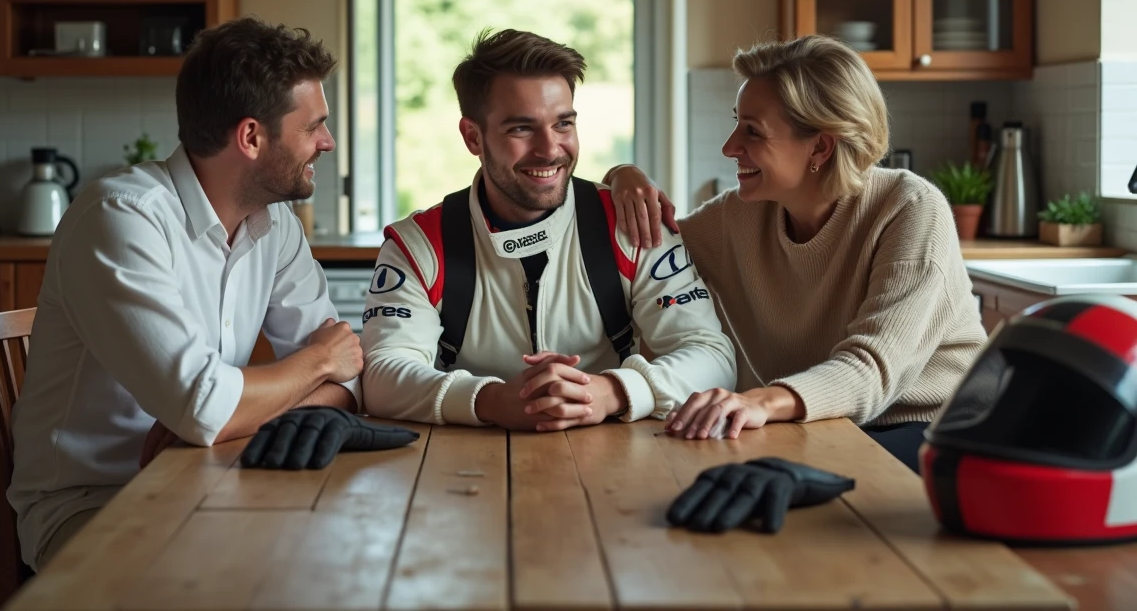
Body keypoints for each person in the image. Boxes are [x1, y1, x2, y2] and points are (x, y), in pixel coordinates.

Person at [8, 17, 364, 571]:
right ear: (250, 137)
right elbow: (216, 405)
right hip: (96, 502)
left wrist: (241, 412)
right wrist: (315, 361)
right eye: (313, 126)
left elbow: (349, 382)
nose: (328, 142)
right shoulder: (122, 218)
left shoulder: (277, 226)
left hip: (215, 476)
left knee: (334, 559)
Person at [605, 35, 988, 472]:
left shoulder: (908, 208)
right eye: (736, 123)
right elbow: (642, 265)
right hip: (821, 424)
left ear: (820, 147)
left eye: (753, 131)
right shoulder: (740, 216)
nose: (730, 146)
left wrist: (758, 402)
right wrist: (624, 175)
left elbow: (871, 371)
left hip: (938, 434)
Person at [359, 29, 736, 430]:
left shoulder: (631, 222)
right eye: (521, 129)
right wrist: (489, 400)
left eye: (563, 124)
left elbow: (711, 356)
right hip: (463, 472)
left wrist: (611, 393)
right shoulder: (419, 244)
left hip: (614, 466)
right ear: (473, 137)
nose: (550, 149)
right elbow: (381, 374)